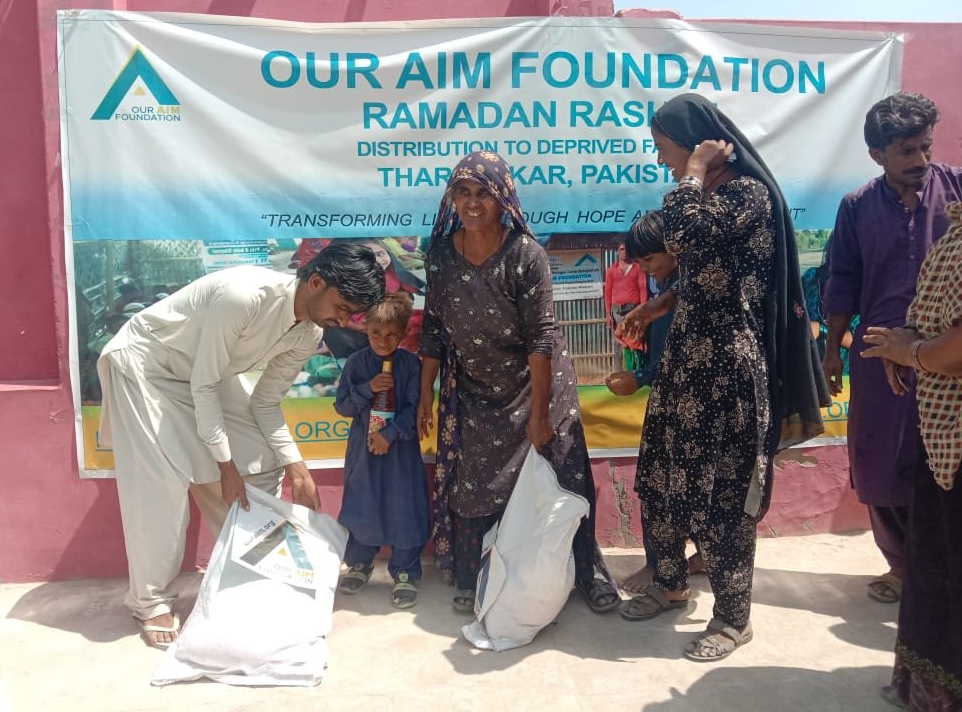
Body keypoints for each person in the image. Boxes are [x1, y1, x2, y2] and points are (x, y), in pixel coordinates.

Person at [617, 94, 828, 661]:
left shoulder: (745, 194)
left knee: (725, 494)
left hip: (728, 370)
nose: (664, 162)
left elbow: (684, 238)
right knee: (660, 476)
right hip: (686, 364)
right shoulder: (712, 198)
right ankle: (668, 583)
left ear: (697, 142)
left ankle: (734, 619)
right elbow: (707, 273)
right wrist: (658, 306)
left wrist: (691, 173)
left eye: (667, 151)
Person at [96, 243, 385, 648]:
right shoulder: (245, 296)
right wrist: (224, 467)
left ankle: (250, 567)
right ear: (316, 281)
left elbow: (264, 404)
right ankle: (151, 601)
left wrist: (297, 467)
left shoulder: (309, 332)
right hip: (147, 366)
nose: (344, 318)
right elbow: (205, 384)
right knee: (160, 488)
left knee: (263, 458)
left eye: (352, 312)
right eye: (342, 305)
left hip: (199, 379)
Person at [416, 150, 619, 615]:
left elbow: (541, 339)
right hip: (474, 389)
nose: (472, 203)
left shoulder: (525, 254)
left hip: (538, 385)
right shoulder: (442, 255)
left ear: (502, 197)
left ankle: (585, 574)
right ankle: (476, 575)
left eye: (482, 193)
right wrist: (426, 392)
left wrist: (540, 413)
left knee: (561, 479)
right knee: (476, 485)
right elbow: (432, 327)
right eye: (462, 192)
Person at [822, 92, 962, 604]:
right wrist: (831, 350)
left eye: (925, 147)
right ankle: (902, 565)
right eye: (906, 151)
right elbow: (842, 279)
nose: (920, 161)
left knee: (942, 459)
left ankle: (940, 567)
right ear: (877, 154)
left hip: (948, 356)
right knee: (880, 457)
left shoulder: (957, 192)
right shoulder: (857, 206)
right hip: (881, 353)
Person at [860, 200, 962, 710]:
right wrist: (911, 346)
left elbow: (958, 349)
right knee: (936, 565)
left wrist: (912, 353)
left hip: (956, 434)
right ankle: (929, 690)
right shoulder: (953, 232)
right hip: (943, 429)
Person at [604, 212, 705, 594]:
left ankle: (663, 566)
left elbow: (679, 359)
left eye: (650, 260)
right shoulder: (664, 290)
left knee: (662, 487)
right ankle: (678, 560)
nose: (646, 269)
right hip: (671, 399)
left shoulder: (685, 296)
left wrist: (641, 378)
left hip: (686, 405)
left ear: (676, 251)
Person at [334, 293, 429, 609]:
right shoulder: (356, 364)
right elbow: (343, 406)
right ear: (366, 329)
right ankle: (360, 563)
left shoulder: (411, 365)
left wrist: (389, 434)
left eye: (391, 335)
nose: (383, 341)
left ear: (403, 333)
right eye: (376, 333)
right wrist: (368, 388)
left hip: (400, 453)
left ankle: (405, 571)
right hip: (364, 452)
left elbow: (415, 408)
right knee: (364, 503)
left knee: (405, 506)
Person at [604, 241, 648, 369]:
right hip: (617, 311)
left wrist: (644, 310)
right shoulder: (611, 270)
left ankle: (638, 372)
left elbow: (643, 289)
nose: (624, 252)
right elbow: (607, 293)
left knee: (635, 339)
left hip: (633, 310)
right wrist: (608, 314)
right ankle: (618, 373)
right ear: (617, 251)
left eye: (626, 249)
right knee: (619, 342)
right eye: (622, 249)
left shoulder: (637, 268)